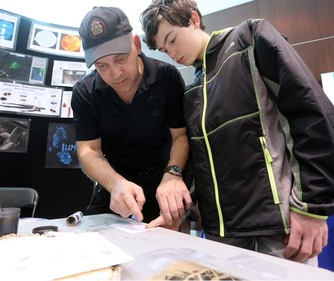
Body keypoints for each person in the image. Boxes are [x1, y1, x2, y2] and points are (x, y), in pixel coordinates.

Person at [140, 0, 334, 265]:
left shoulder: (250, 38)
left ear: (193, 19)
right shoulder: (191, 90)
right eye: (164, 49)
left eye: (172, 39)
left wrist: (312, 208)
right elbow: (200, 165)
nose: (172, 53)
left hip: (277, 229)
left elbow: (312, 114)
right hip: (222, 236)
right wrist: (179, 212)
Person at [71, 6, 192, 226]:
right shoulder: (84, 92)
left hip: (163, 179)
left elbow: (180, 136)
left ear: (136, 44)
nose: (115, 74)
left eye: (120, 59)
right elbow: (88, 150)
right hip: (115, 181)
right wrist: (115, 184)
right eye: (102, 66)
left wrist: (173, 174)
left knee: (167, 251)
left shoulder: (166, 77)